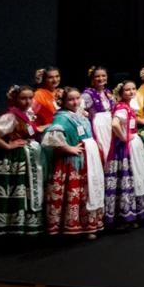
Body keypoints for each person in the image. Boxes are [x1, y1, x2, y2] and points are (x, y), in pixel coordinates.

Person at [0, 85, 44, 237]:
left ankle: (24, 226)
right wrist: (7, 145)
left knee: (26, 191)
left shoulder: (28, 113)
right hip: (13, 160)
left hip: (28, 157)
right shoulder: (12, 116)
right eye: (23, 98)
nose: (28, 101)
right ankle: (5, 228)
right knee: (11, 191)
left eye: (30, 98)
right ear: (16, 99)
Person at [41, 88, 105, 238]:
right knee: (74, 192)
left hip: (87, 159)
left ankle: (89, 225)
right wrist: (68, 148)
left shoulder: (79, 114)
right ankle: (72, 225)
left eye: (77, 98)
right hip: (72, 163)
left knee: (87, 191)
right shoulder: (61, 118)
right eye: (71, 99)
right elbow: (51, 136)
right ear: (63, 102)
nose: (75, 102)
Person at [104, 81, 144, 227]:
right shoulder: (122, 107)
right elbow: (115, 123)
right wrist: (124, 137)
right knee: (126, 178)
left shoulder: (129, 107)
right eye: (127, 90)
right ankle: (124, 215)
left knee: (134, 176)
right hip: (124, 148)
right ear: (121, 93)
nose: (131, 92)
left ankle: (132, 214)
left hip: (132, 144)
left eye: (133, 89)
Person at [82, 66, 116, 158]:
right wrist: (89, 115)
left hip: (110, 126)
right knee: (103, 150)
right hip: (98, 127)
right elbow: (79, 111)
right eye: (97, 76)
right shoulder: (87, 95)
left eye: (103, 75)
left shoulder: (108, 92)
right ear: (92, 79)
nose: (101, 78)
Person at [32, 67, 61, 131]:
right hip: (46, 131)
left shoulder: (61, 92)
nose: (55, 80)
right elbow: (31, 117)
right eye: (50, 77)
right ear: (44, 79)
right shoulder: (38, 95)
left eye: (57, 76)